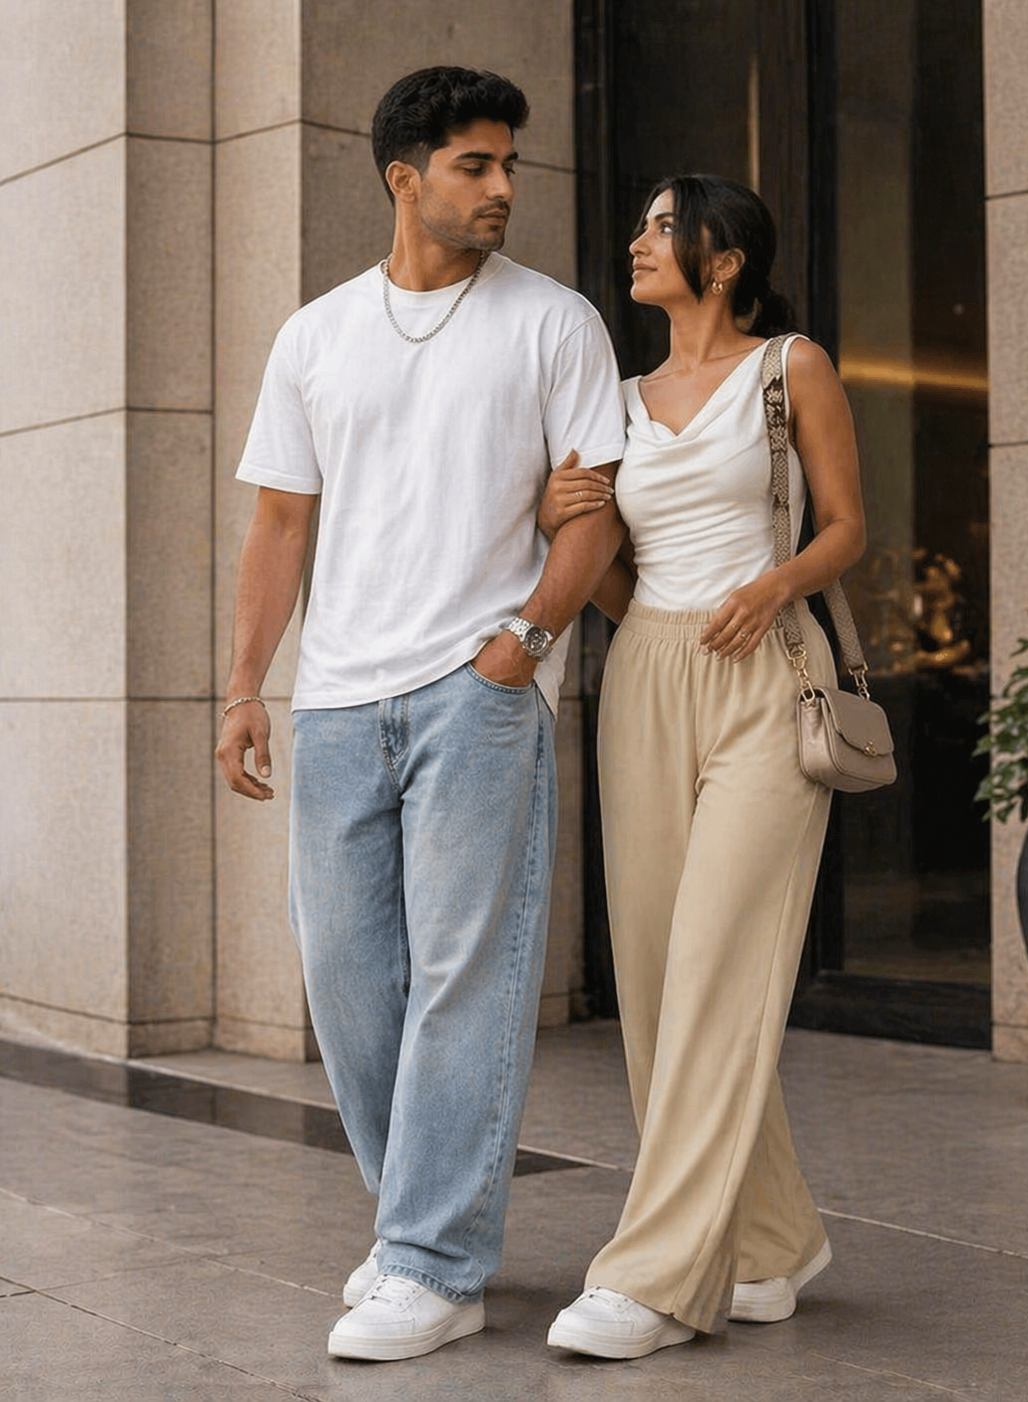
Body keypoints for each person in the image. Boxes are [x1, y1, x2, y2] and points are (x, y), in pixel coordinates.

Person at [215, 66, 625, 1363]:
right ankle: (417, 1225)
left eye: (508, 164)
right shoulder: (315, 336)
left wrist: (524, 642)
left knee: (466, 978)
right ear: (406, 176)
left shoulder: (556, 324)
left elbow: (592, 505)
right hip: (336, 696)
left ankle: (435, 1260)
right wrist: (243, 684)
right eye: (474, 164)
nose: (502, 186)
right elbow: (281, 519)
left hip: (478, 689)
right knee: (349, 983)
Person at [539, 174, 866, 1358]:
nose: (636, 243)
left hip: (769, 669)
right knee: (659, 976)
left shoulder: (792, 367)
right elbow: (616, 583)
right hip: (645, 675)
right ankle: (775, 1240)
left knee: (723, 965)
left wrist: (776, 582)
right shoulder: (619, 400)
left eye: (662, 226)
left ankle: (660, 1276)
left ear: (724, 260)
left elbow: (846, 526)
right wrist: (557, 524)